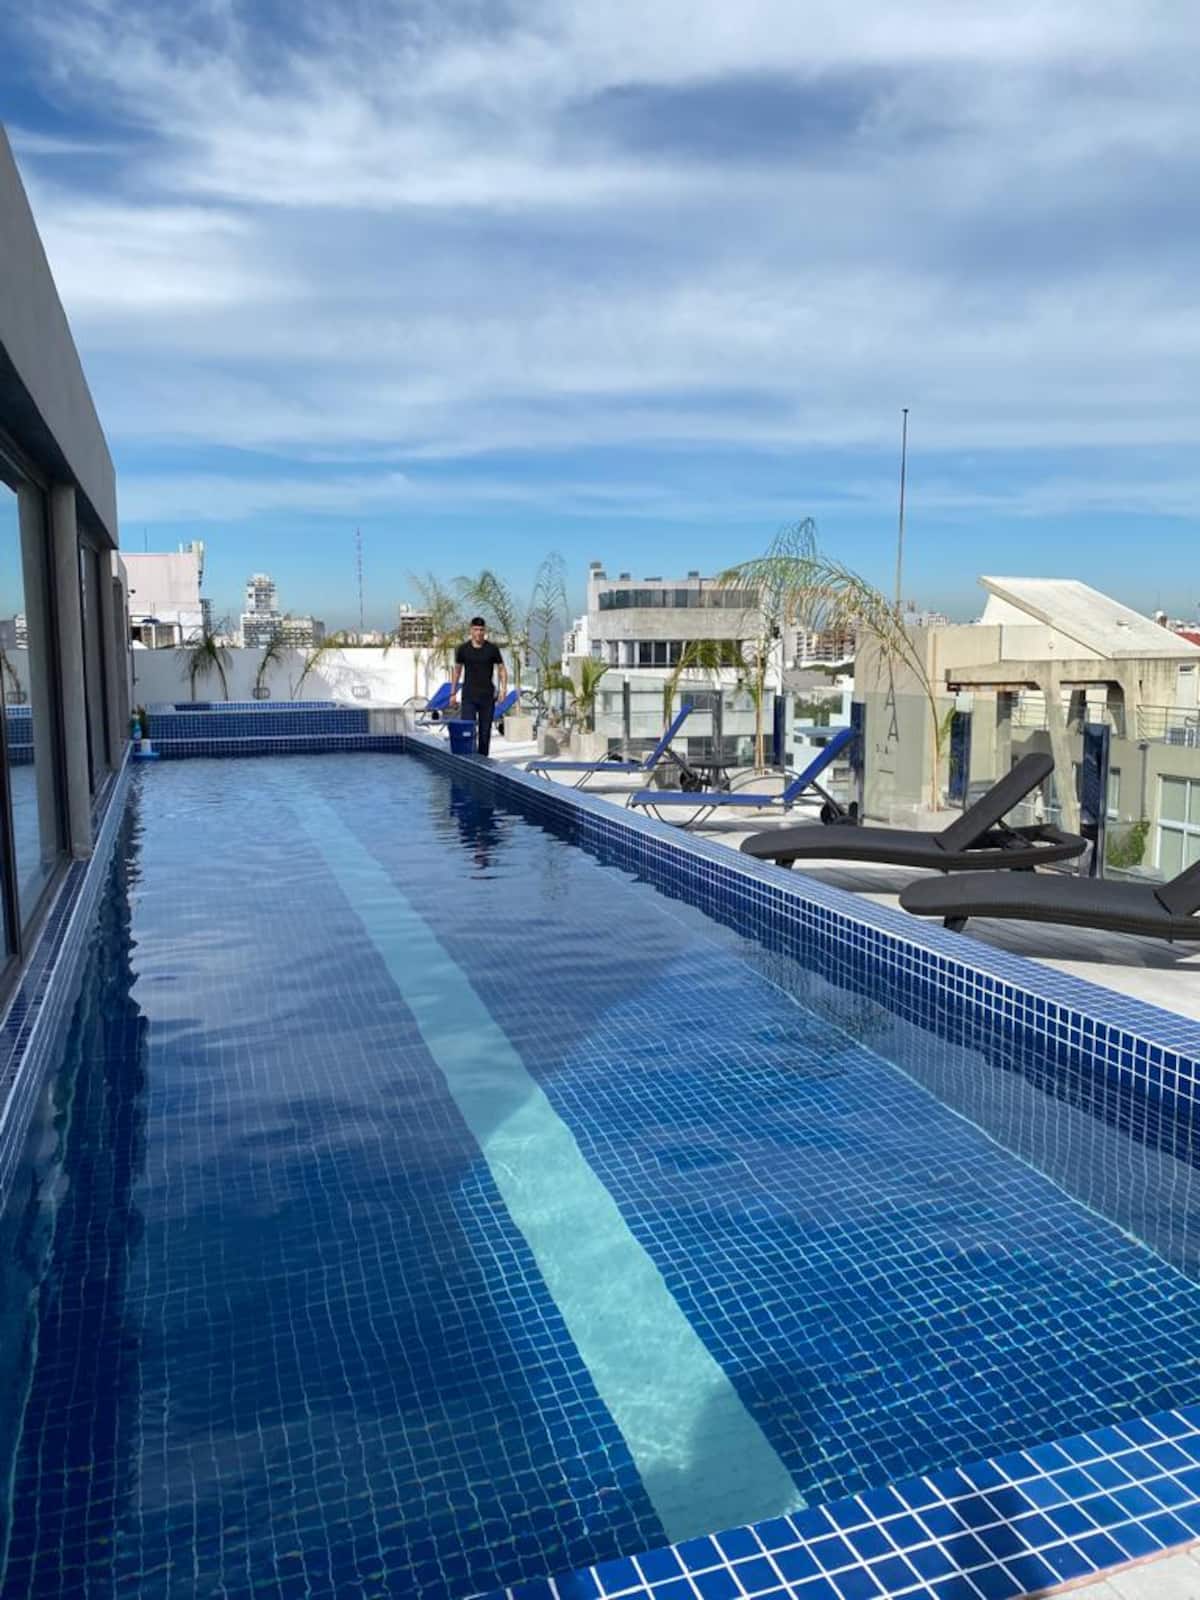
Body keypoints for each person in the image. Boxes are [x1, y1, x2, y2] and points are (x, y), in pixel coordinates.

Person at [450, 616, 507, 757]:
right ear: (471, 630)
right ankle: (468, 759)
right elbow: (457, 671)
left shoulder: (492, 649)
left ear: (484, 631)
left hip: (487, 697)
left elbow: (501, 669)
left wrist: (503, 690)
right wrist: (453, 693)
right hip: (469, 696)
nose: (479, 633)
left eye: (481, 630)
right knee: (467, 730)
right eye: (476, 629)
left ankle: (482, 760)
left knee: (485, 733)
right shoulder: (463, 649)